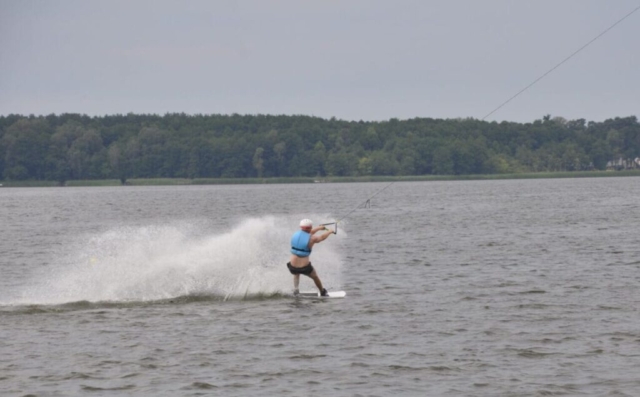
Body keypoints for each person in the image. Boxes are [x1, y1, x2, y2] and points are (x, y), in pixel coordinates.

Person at [287, 218, 334, 296]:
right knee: (315, 277)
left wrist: (319, 228)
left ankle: (296, 290)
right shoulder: (312, 238)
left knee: (296, 273)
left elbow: (308, 233)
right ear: (310, 227)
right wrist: (329, 231)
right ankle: (322, 292)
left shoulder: (295, 234)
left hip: (292, 267)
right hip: (305, 268)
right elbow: (322, 237)